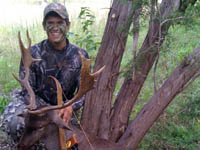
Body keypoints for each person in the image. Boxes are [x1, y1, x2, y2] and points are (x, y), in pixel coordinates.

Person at [0, 2, 88, 149]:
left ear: (68, 25)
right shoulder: (32, 53)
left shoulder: (80, 55)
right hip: (36, 108)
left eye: (60, 22)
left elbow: (84, 92)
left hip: (64, 110)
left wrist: (72, 105)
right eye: (50, 23)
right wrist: (44, 110)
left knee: (71, 144)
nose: (55, 27)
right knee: (17, 124)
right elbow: (26, 91)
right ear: (43, 26)